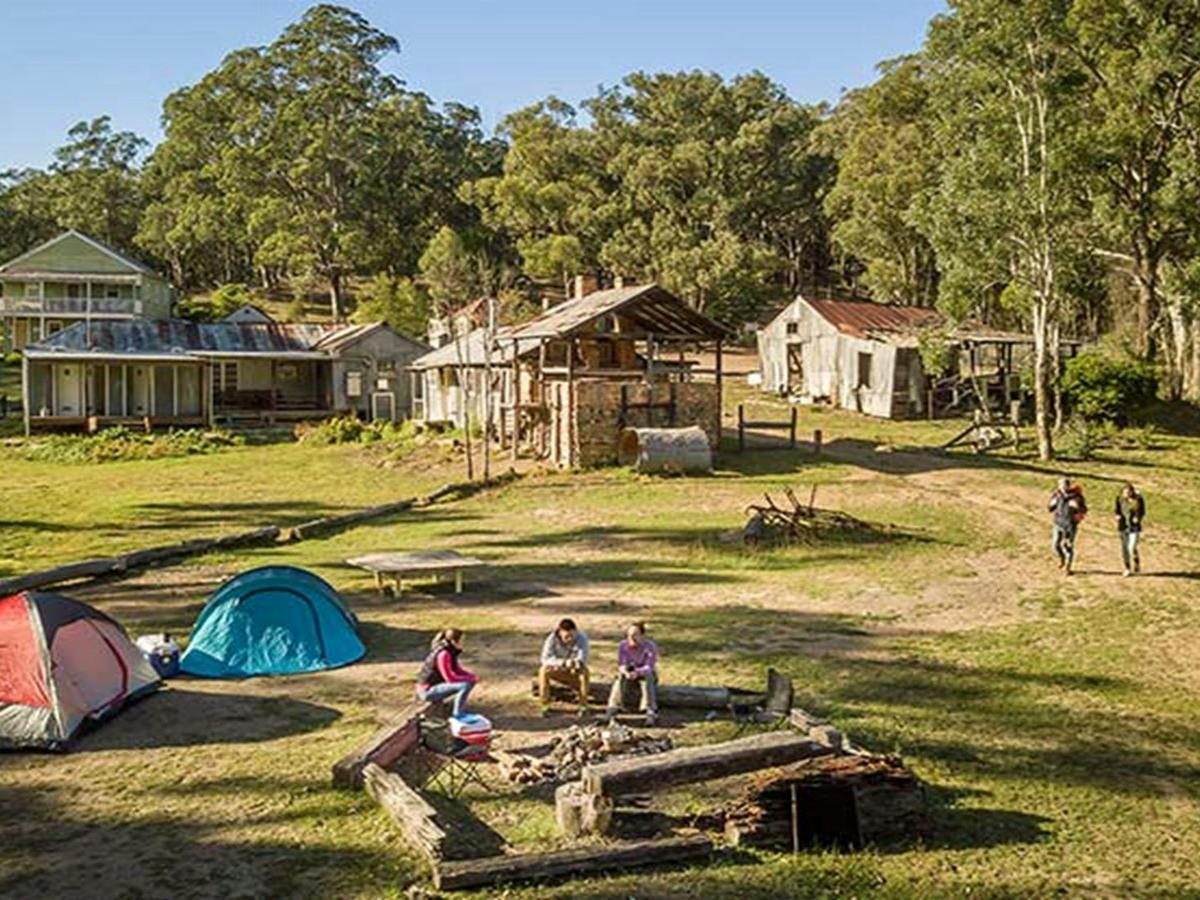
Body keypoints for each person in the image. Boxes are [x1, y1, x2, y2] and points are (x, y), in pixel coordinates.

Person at [606, 621, 659, 726]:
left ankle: (650, 711)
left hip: (644, 673)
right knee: (619, 677)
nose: (631, 638)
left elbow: (649, 666)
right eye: (629, 635)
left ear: (642, 636)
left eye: (635, 635)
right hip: (629, 673)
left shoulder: (650, 647)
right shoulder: (623, 645)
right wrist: (626, 672)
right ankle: (612, 709)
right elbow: (621, 664)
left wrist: (638, 672)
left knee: (648, 677)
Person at [415, 628, 477, 717]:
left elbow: (457, 670)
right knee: (465, 685)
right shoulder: (444, 654)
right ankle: (458, 714)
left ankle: (458, 710)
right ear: (453, 641)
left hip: (436, 686)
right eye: (461, 641)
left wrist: (471, 676)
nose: (463, 643)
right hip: (427, 691)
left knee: (468, 683)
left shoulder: (451, 652)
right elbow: (450, 678)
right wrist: (469, 679)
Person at [538, 618, 591, 715]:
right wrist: (562, 663)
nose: (570, 639)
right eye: (567, 636)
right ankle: (544, 704)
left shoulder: (582, 638)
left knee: (585, 672)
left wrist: (576, 663)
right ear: (560, 632)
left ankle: (583, 705)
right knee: (543, 671)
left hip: (574, 671)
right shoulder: (551, 639)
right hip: (558, 668)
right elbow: (544, 659)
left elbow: (584, 657)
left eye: (572, 635)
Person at [1048, 477, 1088, 575]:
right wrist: (1052, 504)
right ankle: (1062, 559)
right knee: (1055, 545)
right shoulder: (1057, 495)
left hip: (1070, 526)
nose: (1062, 487)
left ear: (1068, 486)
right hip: (1058, 524)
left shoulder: (1077, 497)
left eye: (1065, 485)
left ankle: (1068, 568)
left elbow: (1084, 510)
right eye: (1061, 485)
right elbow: (1050, 508)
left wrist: (1077, 507)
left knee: (1068, 546)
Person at [1114, 482, 1146, 576]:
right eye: (1125, 492)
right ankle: (1127, 567)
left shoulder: (1138, 500)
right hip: (1123, 526)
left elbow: (1142, 511)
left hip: (1134, 527)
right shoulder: (1120, 500)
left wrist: (1138, 518)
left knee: (1131, 547)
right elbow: (1117, 510)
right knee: (1124, 549)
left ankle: (1136, 560)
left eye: (1129, 492)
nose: (1127, 494)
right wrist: (1117, 516)